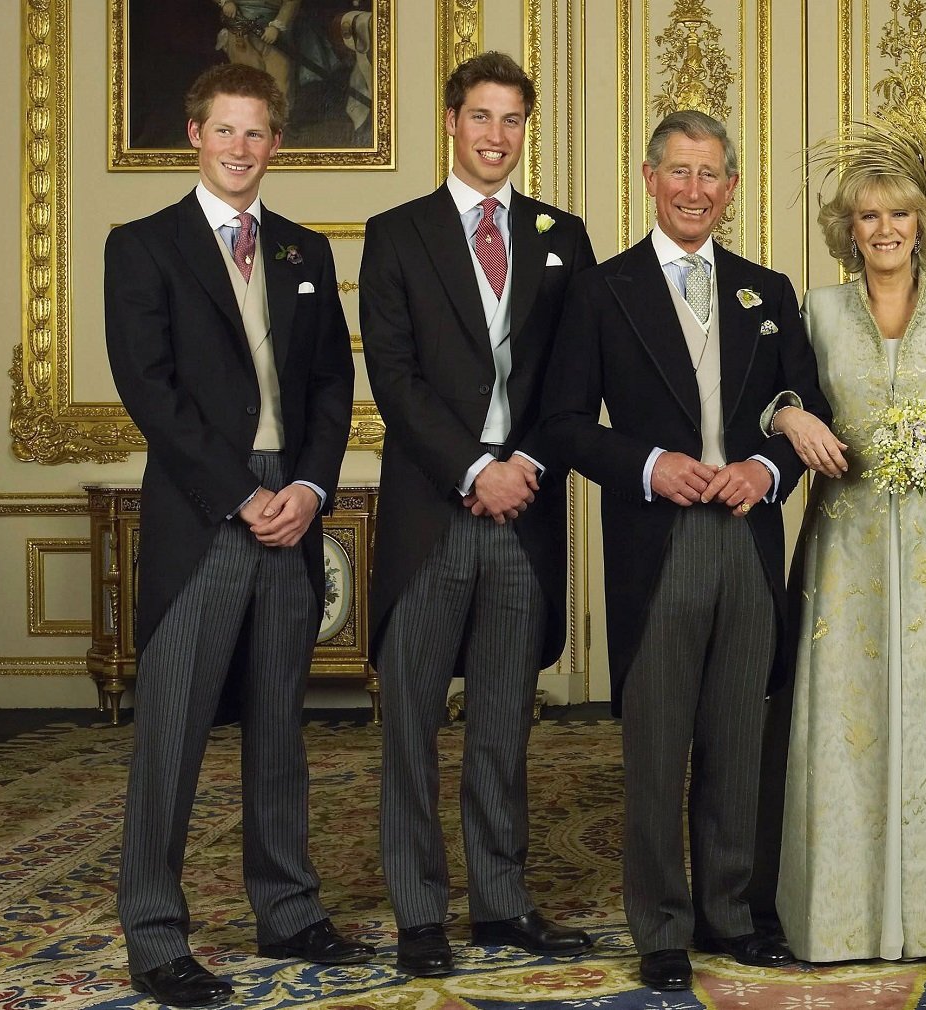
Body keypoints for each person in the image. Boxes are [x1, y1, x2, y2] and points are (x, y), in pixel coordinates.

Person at [542, 109, 826, 992]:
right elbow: (561, 424)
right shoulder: (603, 290)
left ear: (731, 189)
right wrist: (652, 465)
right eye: (680, 173)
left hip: (746, 540)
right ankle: (661, 926)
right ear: (650, 178)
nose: (695, 190)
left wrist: (765, 470)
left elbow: (802, 406)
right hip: (655, 541)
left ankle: (731, 914)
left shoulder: (767, 291)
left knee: (739, 739)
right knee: (658, 747)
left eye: (712, 176)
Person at [105, 63, 368, 1008]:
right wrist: (237, 495)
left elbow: (334, 386)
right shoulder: (143, 247)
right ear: (193, 135)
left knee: (279, 730)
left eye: (257, 134)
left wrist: (306, 486)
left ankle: (288, 910)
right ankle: (155, 934)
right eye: (225, 132)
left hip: (290, 507)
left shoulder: (302, 250)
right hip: (202, 511)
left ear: (276, 144)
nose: (240, 149)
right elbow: (152, 392)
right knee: (171, 733)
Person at [359, 51, 596, 978]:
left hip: (525, 510)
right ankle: (420, 913)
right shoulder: (398, 232)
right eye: (481, 117)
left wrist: (525, 463)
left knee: (503, 723)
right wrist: (471, 470)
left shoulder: (560, 235)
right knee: (411, 723)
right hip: (434, 511)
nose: (496, 136)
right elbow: (395, 376)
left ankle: (501, 904)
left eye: (512, 121)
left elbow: (572, 374)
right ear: (451, 121)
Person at [770, 119, 926, 961]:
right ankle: (842, 918)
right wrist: (789, 413)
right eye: (868, 217)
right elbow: (780, 399)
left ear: (923, 226)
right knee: (848, 724)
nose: (883, 231)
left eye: (899, 217)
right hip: (848, 552)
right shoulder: (820, 311)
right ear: (848, 228)